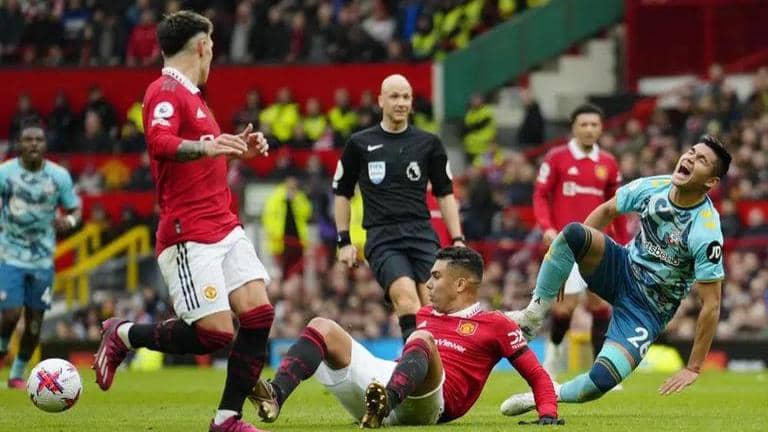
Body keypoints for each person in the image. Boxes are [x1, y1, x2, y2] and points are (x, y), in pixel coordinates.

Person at [91, 11, 272, 432]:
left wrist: (237, 151)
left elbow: (201, 160)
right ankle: (124, 334)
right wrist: (208, 148)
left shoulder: (195, 98)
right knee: (215, 335)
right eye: (213, 45)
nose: (214, 54)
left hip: (224, 225)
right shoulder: (165, 90)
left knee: (259, 314)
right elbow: (159, 142)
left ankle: (227, 419)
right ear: (203, 46)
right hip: (188, 234)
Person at [502, 135, 731, 415]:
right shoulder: (653, 186)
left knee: (600, 382)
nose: (690, 159)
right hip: (620, 268)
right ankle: (532, 316)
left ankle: (548, 392)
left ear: (711, 182)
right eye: (692, 152)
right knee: (574, 233)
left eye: (701, 160)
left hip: (647, 309)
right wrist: (569, 261)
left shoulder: (706, 231)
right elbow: (608, 209)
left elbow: (712, 304)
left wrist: (693, 367)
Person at [249, 246, 562, 427]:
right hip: (389, 387)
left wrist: (548, 414)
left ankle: (384, 404)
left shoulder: (496, 324)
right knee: (322, 326)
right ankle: (275, 395)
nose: (428, 284)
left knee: (421, 339)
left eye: (436, 276)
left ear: (460, 285)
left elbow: (537, 375)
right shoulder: (426, 314)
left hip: (432, 404)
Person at [332, 74, 465, 341]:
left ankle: (430, 363)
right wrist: (343, 241)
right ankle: (416, 365)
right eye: (394, 96)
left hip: (421, 234)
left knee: (433, 305)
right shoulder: (359, 144)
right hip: (382, 237)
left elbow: (445, 194)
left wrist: (458, 238)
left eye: (406, 97)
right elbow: (342, 193)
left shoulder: (429, 143)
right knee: (406, 299)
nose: (401, 102)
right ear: (381, 100)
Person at [532, 103, 628, 378]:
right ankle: (553, 354)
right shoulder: (556, 158)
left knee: (600, 305)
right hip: (566, 245)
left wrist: (623, 241)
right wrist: (547, 227)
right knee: (565, 308)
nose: (589, 129)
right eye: (583, 124)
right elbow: (540, 195)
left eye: (594, 124)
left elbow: (617, 206)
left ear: (601, 128)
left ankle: (602, 369)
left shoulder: (608, 163)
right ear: (573, 127)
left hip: (599, 246)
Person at [0, 120, 80, 388]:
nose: (33, 144)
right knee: (10, 314)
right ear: (19, 144)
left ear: (45, 145)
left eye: (38, 139)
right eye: (28, 139)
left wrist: (69, 221)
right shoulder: (5, 173)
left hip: (43, 259)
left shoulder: (59, 176)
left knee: (34, 323)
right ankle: (2, 350)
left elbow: (75, 209)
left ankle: (16, 374)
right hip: (9, 255)